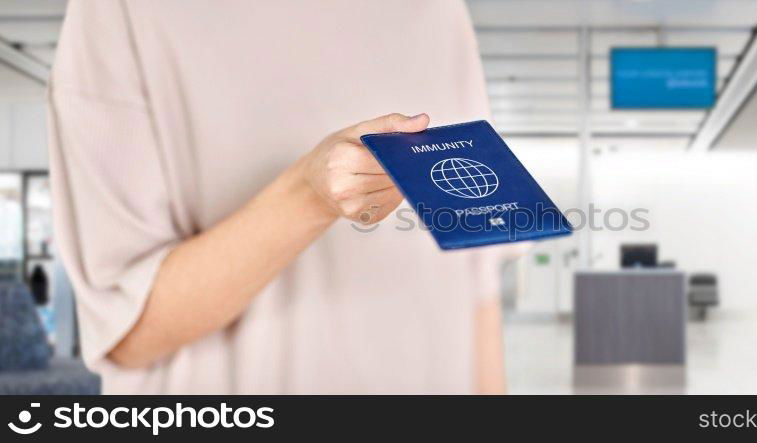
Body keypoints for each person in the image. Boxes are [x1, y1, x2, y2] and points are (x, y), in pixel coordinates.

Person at [48, 0, 510, 394]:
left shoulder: (438, 10)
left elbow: (476, 287)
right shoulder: (124, 12)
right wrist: (308, 196)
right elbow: (127, 334)